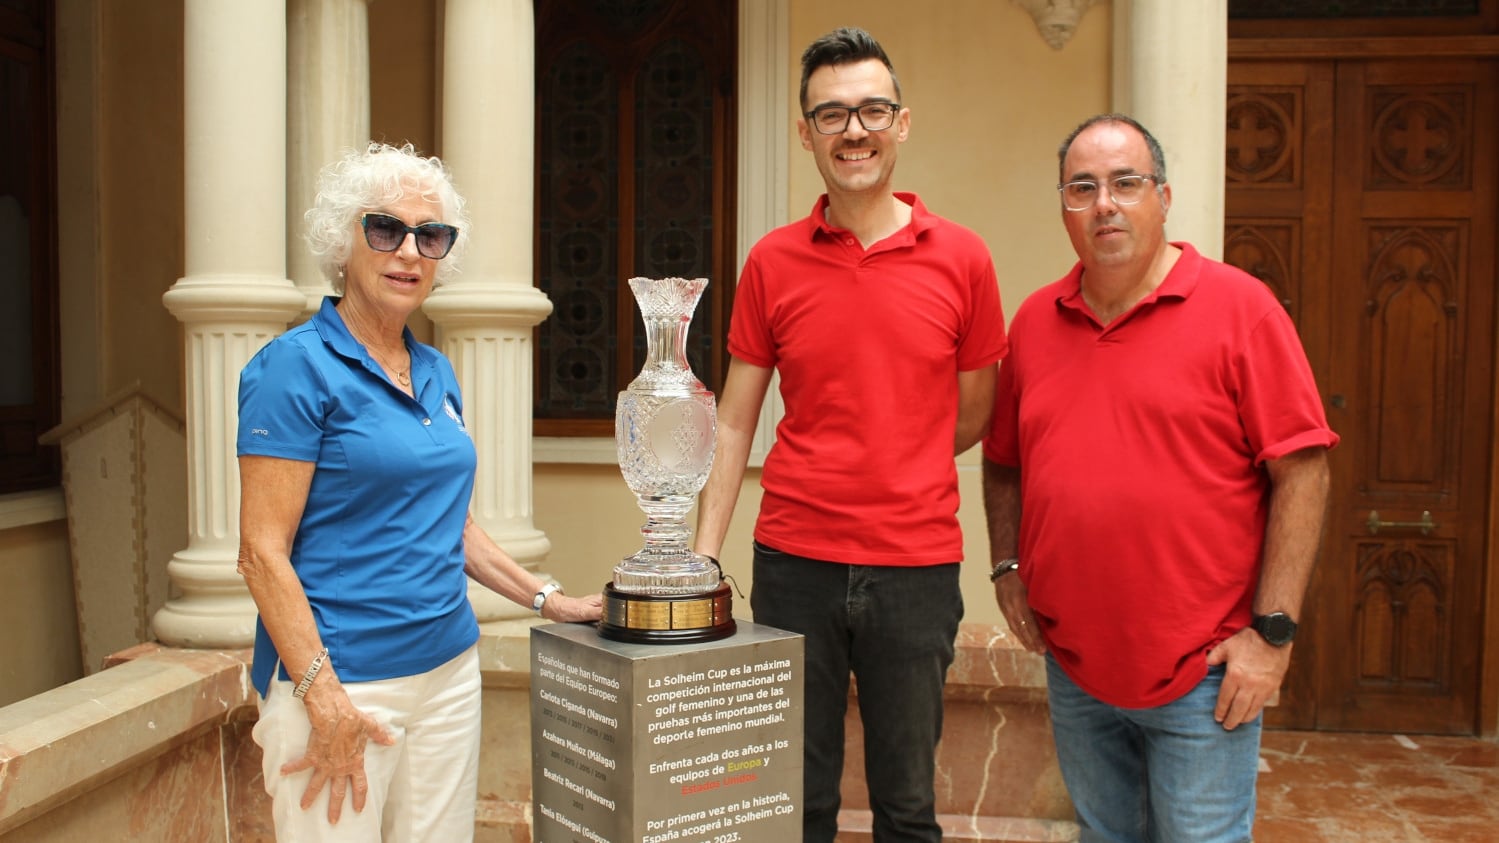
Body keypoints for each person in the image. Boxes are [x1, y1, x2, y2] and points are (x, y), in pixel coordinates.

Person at [981, 113, 1337, 842]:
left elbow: (1304, 472)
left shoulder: (1241, 310)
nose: (1103, 203)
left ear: (1163, 198)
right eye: (1082, 187)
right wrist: (1008, 565)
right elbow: (1002, 461)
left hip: (1202, 673)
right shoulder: (1035, 323)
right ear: (1063, 207)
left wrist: (1270, 636)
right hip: (1075, 666)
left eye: (1124, 183)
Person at [693, 27, 1008, 843]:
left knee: (907, 807)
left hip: (915, 566)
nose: (853, 130)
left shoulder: (963, 259)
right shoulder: (772, 261)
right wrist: (699, 557)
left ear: (902, 123)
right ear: (805, 134)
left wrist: (898, 459)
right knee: (796, 805)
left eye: (871, 110)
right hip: (794, 560)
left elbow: (972, 413)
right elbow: (733, 420)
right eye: (830, 115)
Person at [236, 142, 602, 842]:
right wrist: (324, 696)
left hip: (448, 671)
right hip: (344, 681)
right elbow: (260, 551)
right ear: (343, 242)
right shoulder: (292, 368)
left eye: (429, 236)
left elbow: (451, 527)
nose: (408, 251)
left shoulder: (434, 369)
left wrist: (549, 600)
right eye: (384, 228)